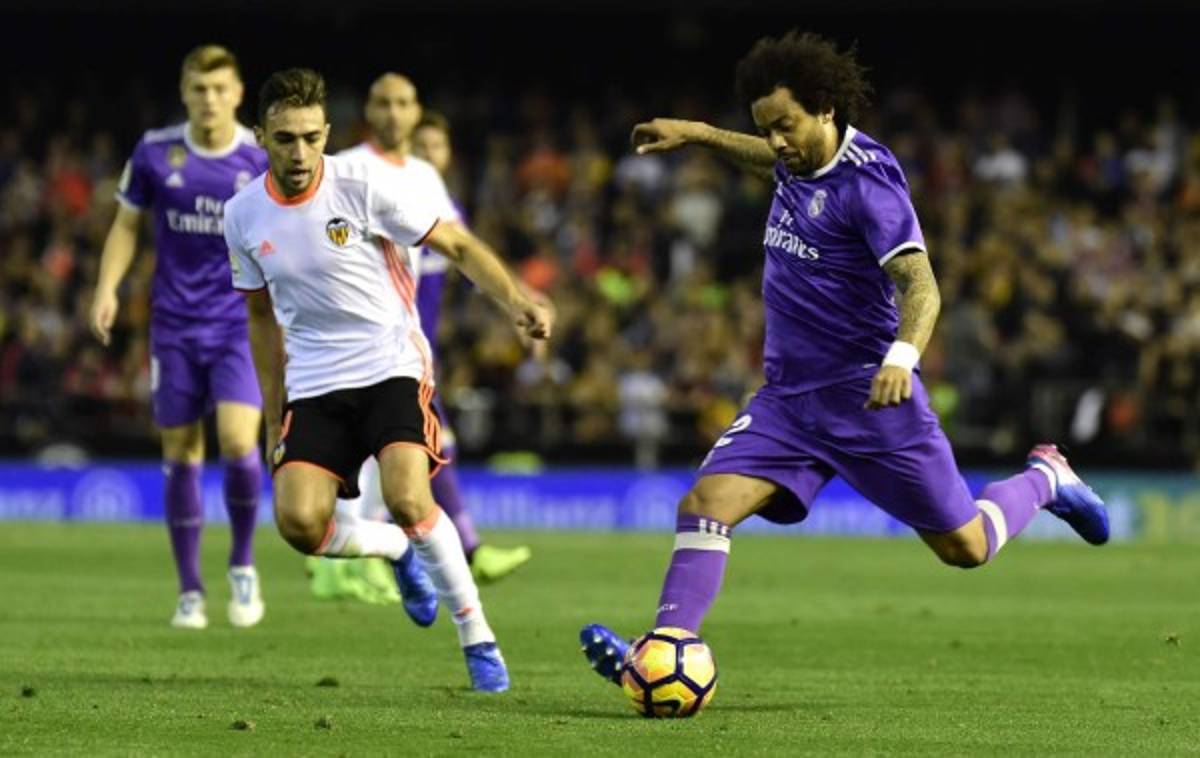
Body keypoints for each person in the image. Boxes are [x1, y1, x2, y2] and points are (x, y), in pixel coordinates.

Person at [580, 31, 1109, 683]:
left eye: (786, 126)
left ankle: (1046, 478)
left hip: (869, 397)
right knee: (704, 505)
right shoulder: (794, 162)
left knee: (965, 547)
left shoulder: (870, 184)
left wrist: (902, 358)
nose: (776, 142)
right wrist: (699, 134)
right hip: (787, 401)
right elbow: (765, 159)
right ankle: (664, 648)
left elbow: (921, 284)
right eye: (767, 129)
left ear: (826, 109)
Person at [225, 68, 551, 691]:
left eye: (312, 137)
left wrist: (514, 301)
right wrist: (274, 416)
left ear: (326, 134)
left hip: (389, 364)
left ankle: (476, 635)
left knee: (408, 497)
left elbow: (454, 244)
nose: (300, 153)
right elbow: (261, 320)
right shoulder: (242, 215)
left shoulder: (361, 184)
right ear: (262, 136)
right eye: (286, 138)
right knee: (299, 524)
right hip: (316, 383)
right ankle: (396, 552)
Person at [307, 76, 532, 606]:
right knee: (376, 451)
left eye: (404, 103)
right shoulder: (350, 168)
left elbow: (460, 247)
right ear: (367, 109)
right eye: (382, 101)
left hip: (412, 341)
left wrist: (515, 300)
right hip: (359, 339)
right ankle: (347, 565)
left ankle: (352, 563)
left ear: (416, 112)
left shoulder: (425, 176)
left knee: (395, 455)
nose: (393, 112)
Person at [90, 45, 267, 630]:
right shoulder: (153, 152)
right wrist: (107, 289)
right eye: (199, 88)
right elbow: (125, 225)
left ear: (238, 93)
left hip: (239, 326)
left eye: (220, 88)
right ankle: (190, 590)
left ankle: (242, 564)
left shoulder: (259, 158)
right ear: (185, 92)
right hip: (173, 326)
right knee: (180, 453)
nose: (209, 99)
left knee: (241, 444)